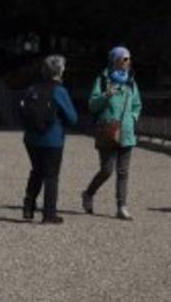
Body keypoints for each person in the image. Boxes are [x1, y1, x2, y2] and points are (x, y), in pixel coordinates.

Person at [81, 46, 143, 220]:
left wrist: (133, 118)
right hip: (107, 130)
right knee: (107, 170)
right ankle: (88, 193)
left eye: (129, 59)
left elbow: (137, 104)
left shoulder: (131, 81)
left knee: (123, 172)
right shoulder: (102, 80)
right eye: (124, 59)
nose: (128, 62)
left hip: (127, 133)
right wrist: (105, 95)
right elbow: (92, 105)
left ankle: (121, 206)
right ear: (115, 60)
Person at [22, 54, 79, 224]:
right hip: (52, 139)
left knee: (36, 170)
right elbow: (73, 118)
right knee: (51, 176)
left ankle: (28, 207)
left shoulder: (32, 89)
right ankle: (49, 214)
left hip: (31, 138)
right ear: (59, 71)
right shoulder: (59, 90)